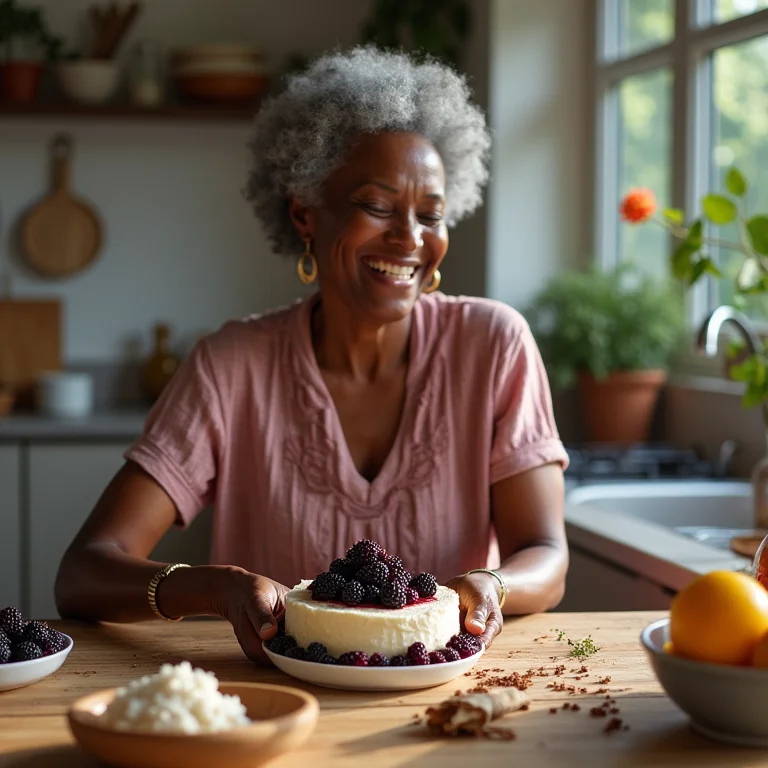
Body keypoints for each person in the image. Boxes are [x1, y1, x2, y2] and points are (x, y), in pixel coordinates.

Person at [55, 46, 570, 665]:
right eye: (377, 206)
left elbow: (546, 553)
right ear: (304, 212)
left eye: (430, 215)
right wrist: (217, 587)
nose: (410, 239)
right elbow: (84, 573)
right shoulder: (231, 366)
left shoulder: (494, 345)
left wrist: (493, 584)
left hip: (444, 713)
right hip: (272, 712)